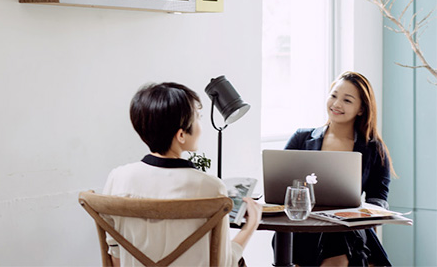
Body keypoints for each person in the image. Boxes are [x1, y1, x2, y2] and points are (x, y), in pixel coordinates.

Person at [103, 82, 262, 267]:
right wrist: (251, 225)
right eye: (199, 118)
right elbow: (224, 264)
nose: (201, 126)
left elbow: (115, 254)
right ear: (181, 135)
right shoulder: (210, 187)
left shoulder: (118, 178)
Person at [274, 71, 394, 267]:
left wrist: (364, 213)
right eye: (333, 95)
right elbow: (279, 184)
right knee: (340, 241)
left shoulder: (373, 149)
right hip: (304, 226)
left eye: (347, 100)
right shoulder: (302, 138)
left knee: (340, 236)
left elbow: (379, 198)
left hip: (348, 226)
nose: (336, 104)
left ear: (361, 109)